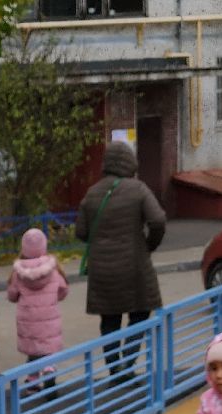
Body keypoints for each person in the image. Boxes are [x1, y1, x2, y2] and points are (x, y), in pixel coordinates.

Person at [75, 141, 164, 378]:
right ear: (130, 162)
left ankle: (115, 369)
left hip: (102, 271)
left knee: (110, 320)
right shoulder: (139, 189)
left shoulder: (92, 193)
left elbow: (81, 232)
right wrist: (149, 245)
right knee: (140, 314)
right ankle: (128, 362)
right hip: (135, 267)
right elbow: (157, 221)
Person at [8, 226, 68, 392]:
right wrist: (54, 297)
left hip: (28, 321)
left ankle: (32, 382)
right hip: (49, 320)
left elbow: (12, 295)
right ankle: (49, 369)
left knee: (33, 351)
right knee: (47, 351)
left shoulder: (18, 272)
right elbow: (63, 290)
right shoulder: (53, 270)